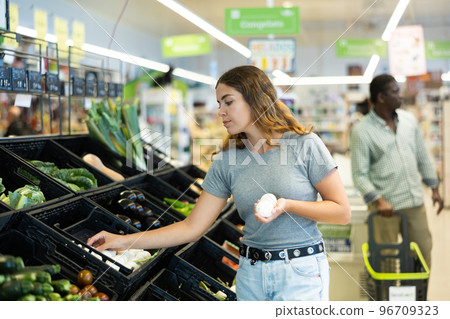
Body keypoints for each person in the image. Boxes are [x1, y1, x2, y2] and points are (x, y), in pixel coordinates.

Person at [87, 65, 351, 301]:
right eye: (218, 103)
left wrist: (288, 205)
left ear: (256, 99)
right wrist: (125, 241)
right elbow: (192, 227)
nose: (220, 112)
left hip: (300, 271)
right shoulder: (227, 161)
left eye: (228, 102)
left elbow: (341, 212)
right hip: (251, 274)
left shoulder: (304, 145)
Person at [350, 74, 443, 269]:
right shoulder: (362, 131)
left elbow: (422, 156)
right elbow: (359, 174)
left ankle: (418, 298)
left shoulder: (409, 121)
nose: (400, 95)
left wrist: (434, 188)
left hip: (414, 202)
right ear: (381, 97)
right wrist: (379, 200)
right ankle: (388, 298)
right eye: (395, 92)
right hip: (385, 209)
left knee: (423, 253)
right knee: (386, 260)